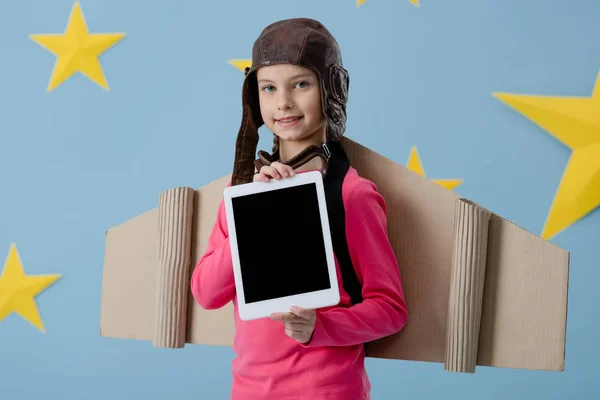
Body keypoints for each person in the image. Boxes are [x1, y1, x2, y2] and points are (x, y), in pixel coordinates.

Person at [190, 18, 408, 400]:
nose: (283, 102)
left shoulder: (351, 194)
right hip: (248, 390)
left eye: (301, 84)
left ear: (330, 90)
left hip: (328, 391)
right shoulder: (242, 191)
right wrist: (254, 213)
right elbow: (206, 292)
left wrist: (321, 326)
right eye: (269, 88)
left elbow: (390, 309)